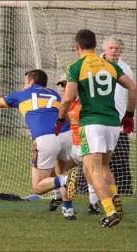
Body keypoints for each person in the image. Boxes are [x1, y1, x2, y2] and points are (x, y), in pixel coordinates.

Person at [0, 69, 77, 220]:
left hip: (45, 138)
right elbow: (63, 112)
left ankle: (65, 181)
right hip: (65, 135)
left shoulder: (20, 95)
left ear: (31, 81)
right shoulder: (53, 93)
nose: (23, 84)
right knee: (58, 170)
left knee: (38, 187)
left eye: (25, 81)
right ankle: (67, 208)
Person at [55, 29, 136, 228]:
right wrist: (129, 115)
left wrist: (60, 119)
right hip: (113, 123)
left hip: (92, 123)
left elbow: (68, 97)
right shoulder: (110, 65)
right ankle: (114, 195)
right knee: (105, 167)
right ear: (95, 44)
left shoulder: (76, 66)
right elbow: (132, 87)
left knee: (93, 170)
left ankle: (110, 211)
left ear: (77, 46)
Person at [49, 76, 100, 215]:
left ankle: (94, 203)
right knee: (56, 167)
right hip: (72, 146)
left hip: (87, 144)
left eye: (67, 85)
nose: (65, 88)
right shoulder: (62, 104)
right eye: (63, 86)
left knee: (87, 170)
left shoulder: (86, 103)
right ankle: (58, 197)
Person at [101, 36, 134, 195]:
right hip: (98, 119)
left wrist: (129, 115)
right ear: (104, 49)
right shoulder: (95, 64)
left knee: (120, 158)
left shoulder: (125, 68)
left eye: (117, 48)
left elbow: (130, 91)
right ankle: (85, 190)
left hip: (118, 121)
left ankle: (125, 192)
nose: (114, 51)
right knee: (93, 158)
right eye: (111, 48)